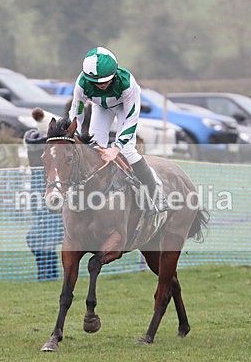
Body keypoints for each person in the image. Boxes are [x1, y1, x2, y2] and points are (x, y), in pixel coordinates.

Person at [68, 46, 163, 213]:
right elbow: (76, 113)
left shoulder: (127, 82)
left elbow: (131, 118)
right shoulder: (81, 84)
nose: (103, 85)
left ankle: (155, 196)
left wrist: (116, 148)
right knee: (95, 147)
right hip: (100, 107)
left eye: (107, 80)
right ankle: (91, 195)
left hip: (124, 108)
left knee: (127, 149)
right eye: (98, 82)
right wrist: (73, 135)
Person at [23, 122, 64, 281]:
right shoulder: (39, 160)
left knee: (43, 242)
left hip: (58, 214)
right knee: (34, 239)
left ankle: (48, 277)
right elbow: (32, 142)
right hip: (44, 212)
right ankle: (47, 275)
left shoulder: (56, 156)